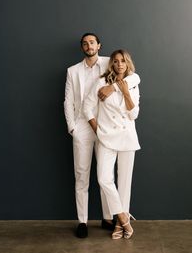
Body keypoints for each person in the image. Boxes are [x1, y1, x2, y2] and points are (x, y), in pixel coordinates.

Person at [64, 34, 140, 238]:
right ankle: (82, 221)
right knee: (84, 175)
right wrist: (73, 128)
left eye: (92, 42)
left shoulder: (110, 61)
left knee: (115, 178)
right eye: (85, 43)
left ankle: (111, 218)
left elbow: (134, 76)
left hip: (111, 128)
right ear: (82, 47)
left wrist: (113, 87)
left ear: (99, 45)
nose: (89, 46)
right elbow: (68, 100)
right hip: (85, 126)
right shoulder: (73, 71)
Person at [83, 49, 141, 240]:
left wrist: (124, 92)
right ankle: (124, 217)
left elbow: (134, 115)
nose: (119, 64)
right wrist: (97, 129)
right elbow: (87, 108)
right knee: (104, 179)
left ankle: (119, 224)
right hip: (106, 137)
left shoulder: (132, 83)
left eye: (123, 61)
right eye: (115, 61)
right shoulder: (101, 83)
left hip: (127, 137)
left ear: (127, 63)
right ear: (112, 64)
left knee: (125, 183)